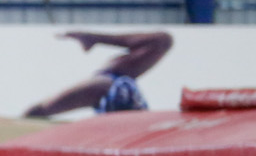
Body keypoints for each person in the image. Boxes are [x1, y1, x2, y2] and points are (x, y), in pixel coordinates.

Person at [23, 30, 173, 118]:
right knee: (163, 40)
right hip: (121, 92)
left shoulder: (106, 87)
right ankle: (93, 39)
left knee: (40, 110)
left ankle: (92, 39)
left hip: (112, 94)